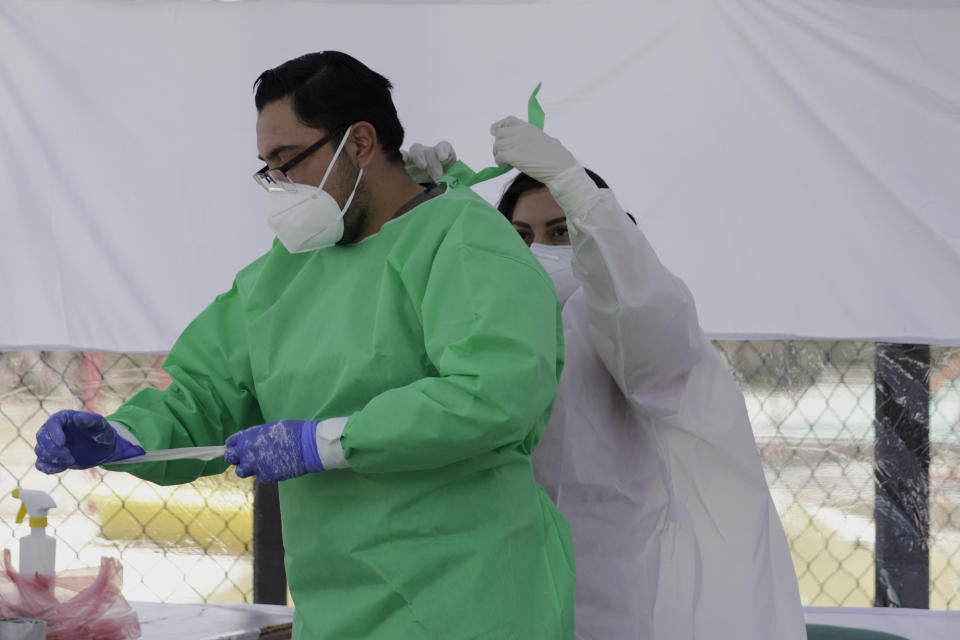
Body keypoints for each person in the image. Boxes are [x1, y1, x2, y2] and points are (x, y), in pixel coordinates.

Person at [33, 52, 575, 639]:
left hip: (470, 598)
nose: (281, 186)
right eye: (268, 169)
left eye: (288, 161)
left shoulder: (463, 240)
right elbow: (210, 390)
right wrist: (131, 436)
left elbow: (494, 392)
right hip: (336, 605)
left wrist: (326, 442)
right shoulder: (284, 274)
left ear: (361, 143)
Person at [408, 118, 807, 639]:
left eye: (562, 231)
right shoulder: (485, 326)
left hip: (619, 591)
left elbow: (638, 311)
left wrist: (577, 186)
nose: (539, 251)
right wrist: (420, 215)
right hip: (499, 581)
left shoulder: (631, 321)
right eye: (520, 236)